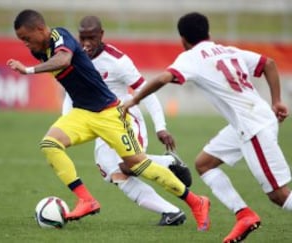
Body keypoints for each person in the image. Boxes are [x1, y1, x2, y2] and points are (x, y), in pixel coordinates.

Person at [6, 9, 210, 231]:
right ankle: (86, 200)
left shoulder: (61, 38)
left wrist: (28, 70)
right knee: (50, 144)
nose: (25, 44)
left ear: (40, 29)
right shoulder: (40, 51)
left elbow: (64, 60)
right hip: (82, 113)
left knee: (137, 165)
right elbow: (71, 85)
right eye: (21, 40)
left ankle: (196, 201)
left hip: (109, 113)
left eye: (26, 38)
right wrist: (66, 119)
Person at [122, 12, 292, 243]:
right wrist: (277, 101)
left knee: (278, 195)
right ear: (208, 32)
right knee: (204, 163)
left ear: (182, 39)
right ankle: (244, 215)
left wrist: (135, 99)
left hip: (253, 126)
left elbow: (162, 78)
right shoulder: (228, 50)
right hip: (251, 119)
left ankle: (246, 215)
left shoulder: (190, 57)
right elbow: (269, 64)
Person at [61, 15, 192, 226]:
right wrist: (66, 126)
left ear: (101, 35)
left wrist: (161, 127)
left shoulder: (117, 61)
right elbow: (70, 93)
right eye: (83, 38)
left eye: (91, 38)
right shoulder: (73, 58)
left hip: (126, 119)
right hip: (99, 125)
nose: (86, 44)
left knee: (128, 166)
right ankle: (171, 212)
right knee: (112, 173)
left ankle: (169, 163)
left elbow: (146, 91)